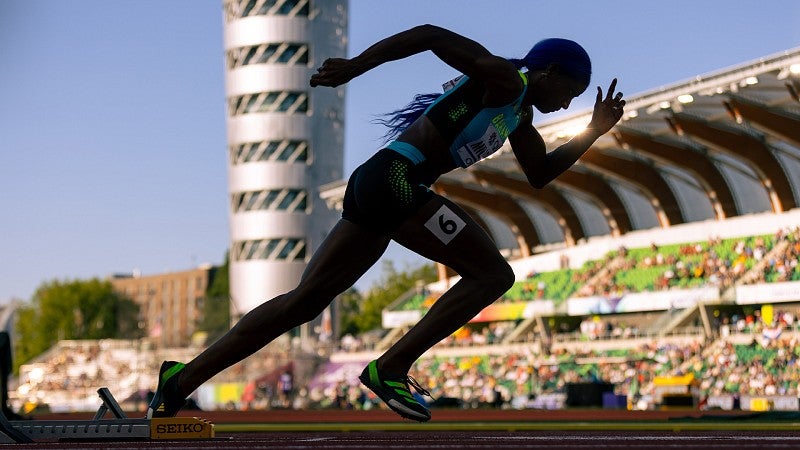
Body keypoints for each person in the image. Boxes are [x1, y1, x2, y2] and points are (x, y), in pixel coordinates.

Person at [146, 24, 625, 422]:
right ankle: (391, 366)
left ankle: (179, 381)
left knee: (304, 303)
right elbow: (429, 35)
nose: (568, 104)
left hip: (380, 182)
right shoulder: (506, 79)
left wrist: (593, 131)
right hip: (396, 178)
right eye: (571, 92)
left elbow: (539, 174)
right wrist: (356, 68)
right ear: (549, 71)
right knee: (493, 274)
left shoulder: (518, 114)